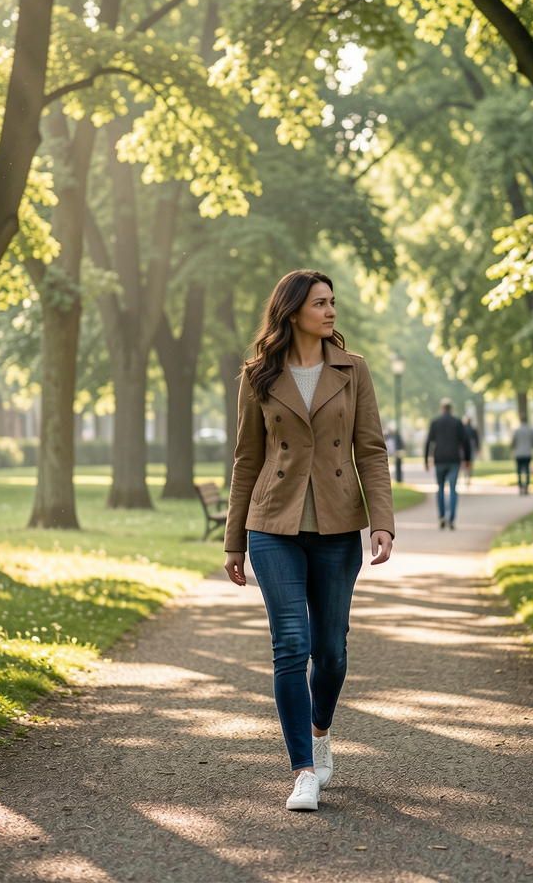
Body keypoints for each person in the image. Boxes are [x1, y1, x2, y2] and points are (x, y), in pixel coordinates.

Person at [223, 270, 395, 813]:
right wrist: (234, 541)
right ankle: (302, 769)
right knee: (290, 646)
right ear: (293, 310)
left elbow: (371, 449)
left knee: (332, 652)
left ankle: (321, 734)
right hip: (271, 525)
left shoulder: (353, 370)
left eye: (332, 302)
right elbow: (247, 458)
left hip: (339, 526)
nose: (330, 311)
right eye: (320, 303)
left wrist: (382, 521)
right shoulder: (257, 375)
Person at [424, 399, 471, 529]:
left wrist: (426, 460)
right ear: (451, 409)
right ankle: (451, 518)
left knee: (440, 488)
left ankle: (441, 516)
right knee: (453, 489)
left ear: (441, 408)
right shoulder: (457, 422)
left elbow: (429, 442)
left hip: (439, 459)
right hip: (454, 459)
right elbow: (466, 442)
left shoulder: (435, 423)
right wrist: (467, 459)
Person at [511, 413, 533, 494]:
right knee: (527, 470)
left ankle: (520, 487)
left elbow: (513, 442)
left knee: (519, 470)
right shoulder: (531, 430)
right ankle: (526, 486)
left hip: (519, 453)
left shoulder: (517, 430)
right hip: (527, 453)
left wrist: (512, 449)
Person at [461, 416, 479, 486]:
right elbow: (476, 441)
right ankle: (468, 478)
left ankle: (466, 477)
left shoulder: (463, 429)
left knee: (464, 464)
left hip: (464, 449)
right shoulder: (473, 430)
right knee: (470, 464)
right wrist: (477, 449)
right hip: (471, 449)